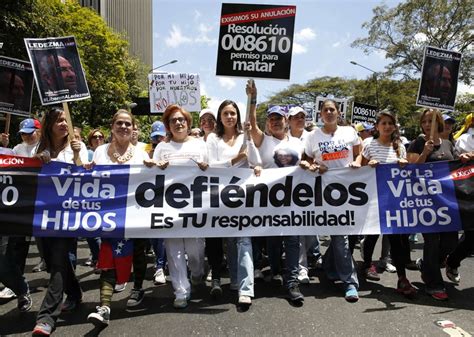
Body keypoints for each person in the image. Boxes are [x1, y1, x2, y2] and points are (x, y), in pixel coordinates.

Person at [86, 109, 154, 328]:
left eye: (128, 124)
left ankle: (137, 287)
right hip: (109, 215)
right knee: (107, 257)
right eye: (120, 123)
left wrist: (157, 168)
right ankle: (104, 306)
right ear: (112, 126)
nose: (124, 127)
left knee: (138, 252)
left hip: (136, 213)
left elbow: (151, 181)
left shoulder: (142, 152)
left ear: (133, 127)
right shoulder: (100, 152)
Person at [32, 107, 88, 336]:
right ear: (49, 126)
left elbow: (85, 176)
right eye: (59, 121)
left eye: (66, 120)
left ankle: (46, 317)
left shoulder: (78, 146)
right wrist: (38, 161)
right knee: (53, 258)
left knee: (57, 261)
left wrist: (77, 156)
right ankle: (74, 292)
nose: (64, 124)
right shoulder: (40, 148)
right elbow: (31, 175)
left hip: (68, 214)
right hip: (44, 214)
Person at [247, 81, 304, 304]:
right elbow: (251, 123)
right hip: (269, 199)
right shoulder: (264, 140)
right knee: (272, 239)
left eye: (279, 118)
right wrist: (253, 99)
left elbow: (306, 163)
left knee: (292, 239)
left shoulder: (298, 142)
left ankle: (291, 282)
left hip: (293, 199)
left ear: (286, 121)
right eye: (271, 118)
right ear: (268, 123)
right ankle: (276, 270)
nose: (275, 121)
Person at [300, 99, 360, 302]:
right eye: (325, 110)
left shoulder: (349, 132)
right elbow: (306, 159)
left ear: (338, 112)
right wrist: (313, 166)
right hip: (322, 193)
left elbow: (360, 156)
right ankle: (331, 267)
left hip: (348, 192)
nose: (328, 112)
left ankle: (349, 283)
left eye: (332, 109)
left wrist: (356, 163)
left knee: (340, 238)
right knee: (336, 237)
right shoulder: (312, 136)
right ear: (320, 113)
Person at [353, 110, 417, 297]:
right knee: (372, 234)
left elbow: (404, 172)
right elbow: (360, 170)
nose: (387, 126)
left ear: (395, 126)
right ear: (377, 126)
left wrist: (404, 164)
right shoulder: (369, 145)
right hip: (373, 198)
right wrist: (368, 164)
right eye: (384, 123)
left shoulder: (399, 147)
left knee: (395, 238)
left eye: (390, 123)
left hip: (393, 199)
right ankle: (366, 265)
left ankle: (402, 278)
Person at [152, 104, 208, 309]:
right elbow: (150, 175)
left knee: (195, 250)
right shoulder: (162, 148)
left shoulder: (201, 145)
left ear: (187, 122)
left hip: (195, 207)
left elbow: (214, 174)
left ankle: (197, 273)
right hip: (169, 208)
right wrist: (155, 166)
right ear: (168, 125)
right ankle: (181, 291)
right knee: (174, 252)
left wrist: (205, 168)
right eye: (173, 120)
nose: (178, 123)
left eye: (181, 119)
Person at [207, 98, 261, 305]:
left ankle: (246, 290)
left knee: (244, 239)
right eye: (225, 114)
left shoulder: (244, 136)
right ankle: (236, 281)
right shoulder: (213, 139)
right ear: (220, 117)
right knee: (230, 240)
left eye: (233, 113)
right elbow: (212, 166)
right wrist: (235, 160)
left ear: (238, 116)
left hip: (244, 195)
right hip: (220, 196)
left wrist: (249, 143)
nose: (230, 117)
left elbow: (255, 159)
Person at [407, 108, 458, 301]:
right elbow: (410, 172)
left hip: (446, 202)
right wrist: (424, 153)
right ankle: (433, 284)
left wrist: (464, 159)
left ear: (439, 124)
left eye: (431, 121)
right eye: (425, 122)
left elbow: (453, 168)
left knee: (450, 242)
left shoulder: (447, 143)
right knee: (432, 242)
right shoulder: (418, 143)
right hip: (425, 202)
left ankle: (427, 266)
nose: (428, 125)